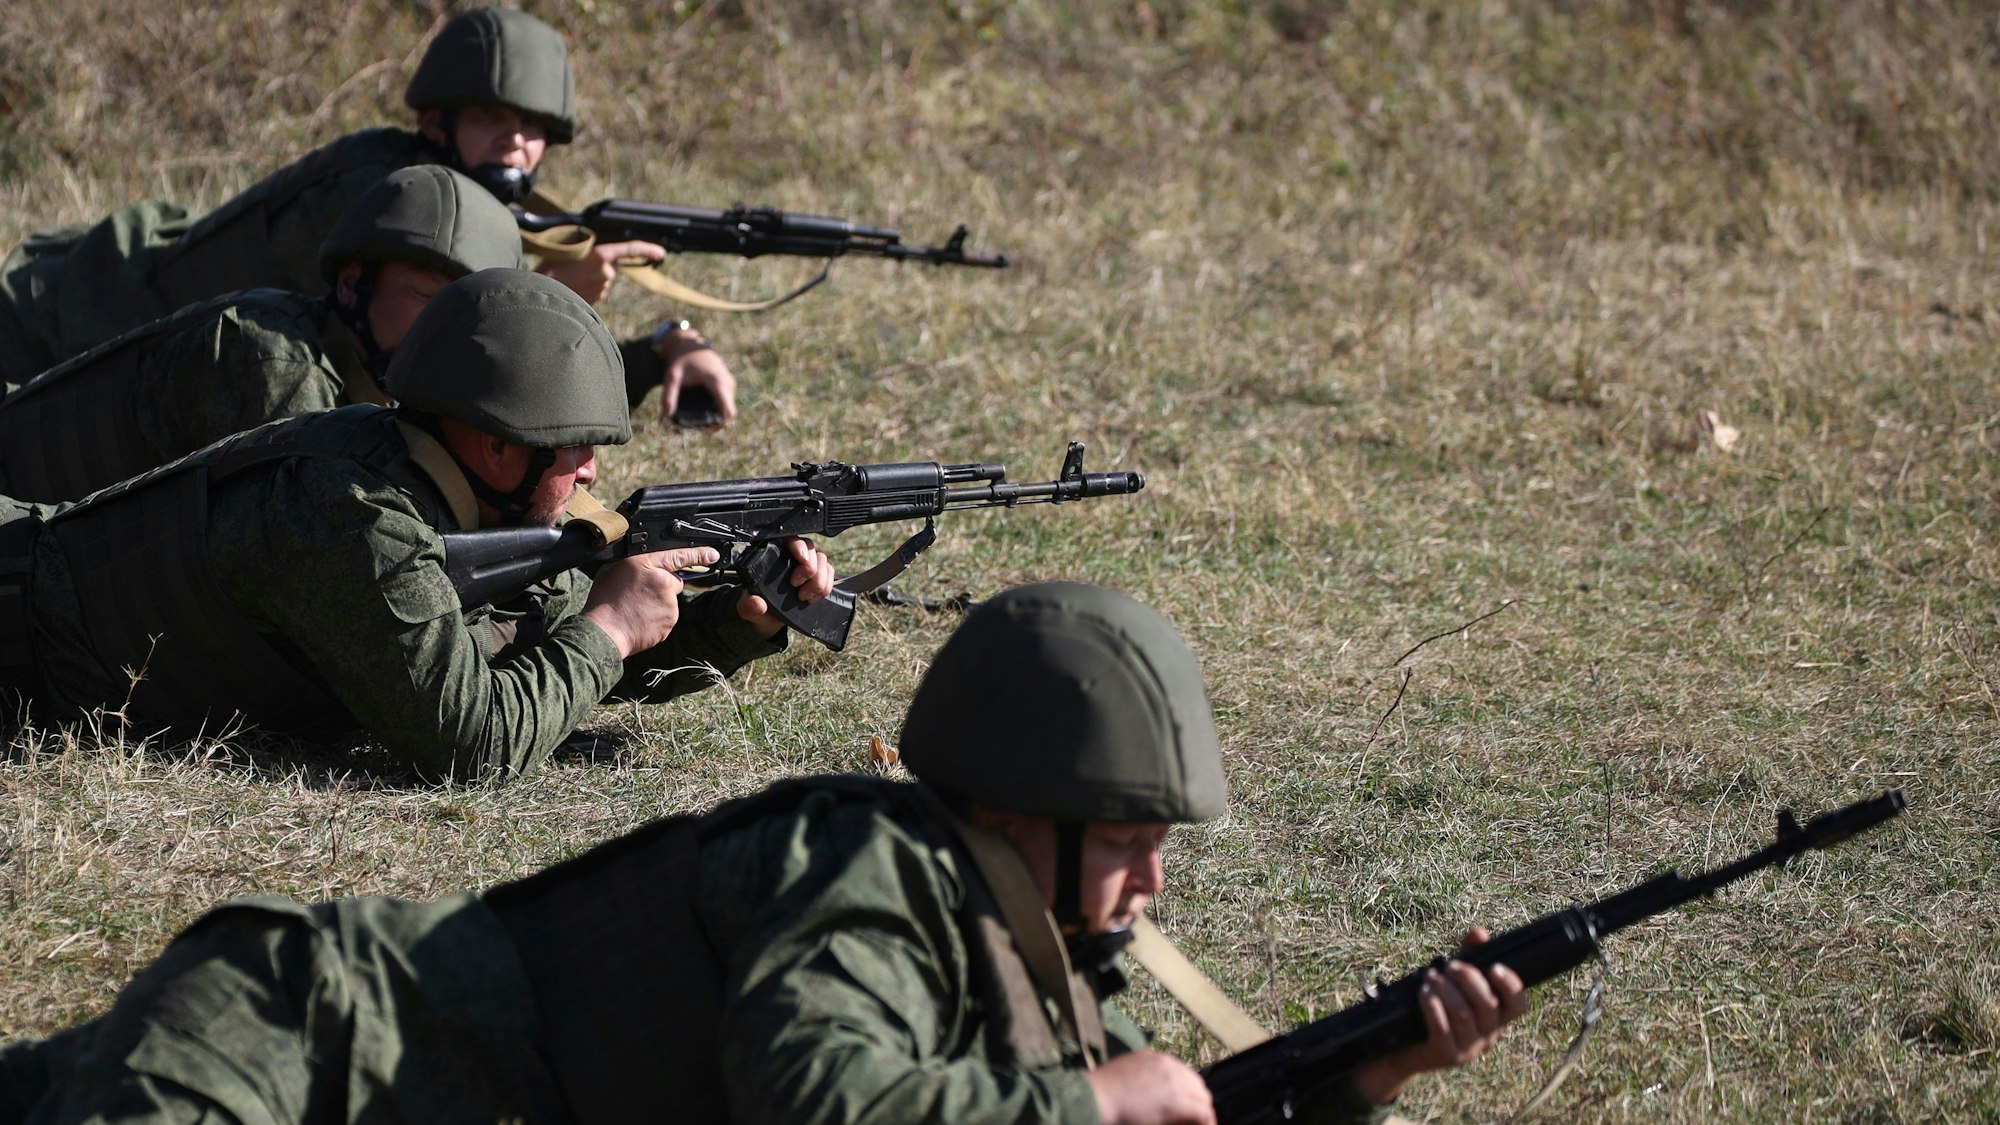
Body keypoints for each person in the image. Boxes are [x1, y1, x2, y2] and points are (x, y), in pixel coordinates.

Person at [0, 582, 1526, 1124]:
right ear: (1015, 815)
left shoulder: (1008, 952)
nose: (1151, 888)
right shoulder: (857, 866)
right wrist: (1085, 1107)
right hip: (294, 1048)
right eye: (1124, 841)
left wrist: (1364, 1077)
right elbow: (818, 1095)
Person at [0, 268, 829, 780]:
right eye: (572, 448)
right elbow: (472, 743)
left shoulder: (460, 495)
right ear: (493, 442)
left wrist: (733, 624)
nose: (592, 472)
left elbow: (554, 657)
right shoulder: (353, 516)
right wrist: (610, 627)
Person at [0, 7, 732, 422]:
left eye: (533, 125)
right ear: (439, 122)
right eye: (489, 116)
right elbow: (451, 390)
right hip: (61, 339)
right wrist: (558, 297)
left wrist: (671, 339)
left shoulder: (443, 192)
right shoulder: (389, 198)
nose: (515, 138)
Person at [0, 165, 731, 504]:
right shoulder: (275, 367)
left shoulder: (373, 363)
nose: (445, 325)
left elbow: (522, 392)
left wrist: (667, 339)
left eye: (465, 306)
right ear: (352, 286)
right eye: (423, 295)